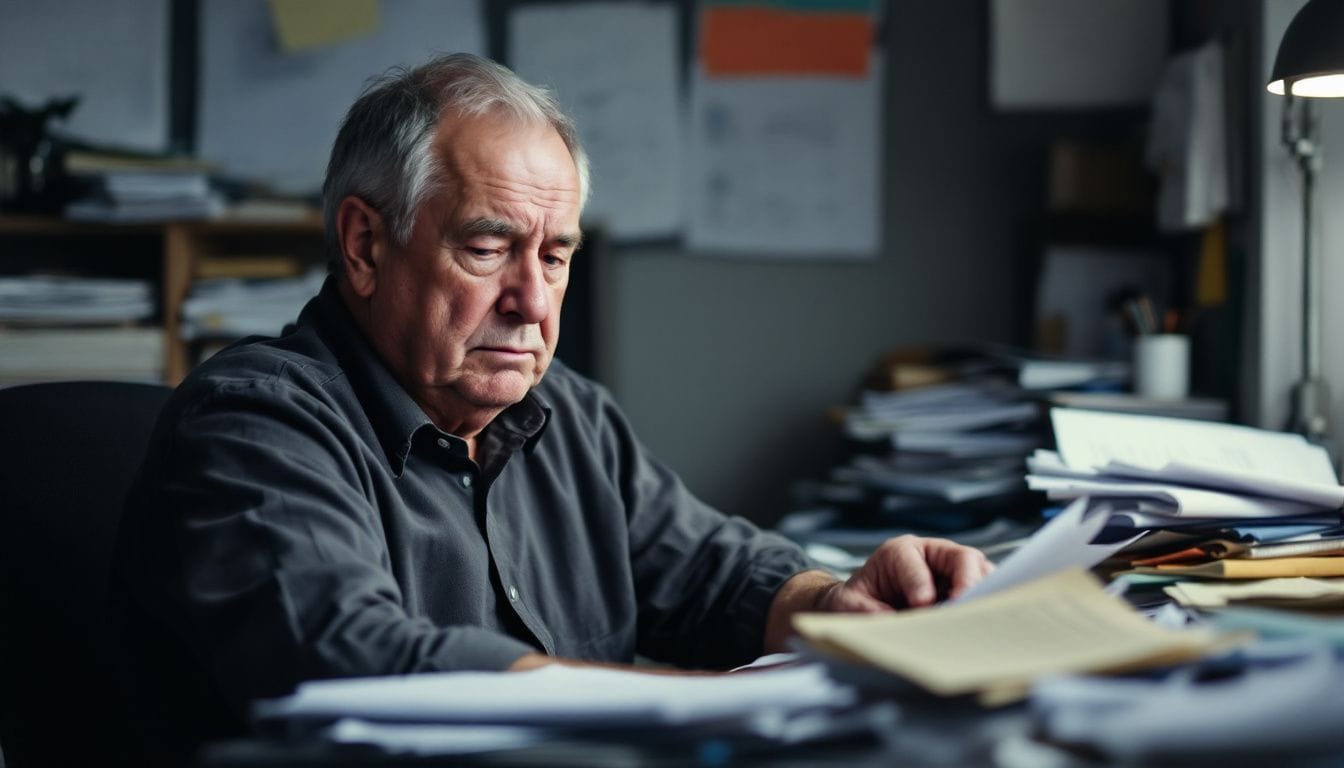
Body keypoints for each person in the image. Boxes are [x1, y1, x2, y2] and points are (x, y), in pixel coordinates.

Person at [109, 53, 992, 760]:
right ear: (366, 244)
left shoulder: (567, 416)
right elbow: (359, 664)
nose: (534, 301)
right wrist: (710, 705)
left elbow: (711, 572)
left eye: (557, 256)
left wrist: (831, 603)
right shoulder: (253, 425)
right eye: (489, 247)